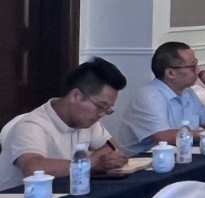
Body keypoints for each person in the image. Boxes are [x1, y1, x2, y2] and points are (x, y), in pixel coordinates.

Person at [1, 58, 129, 189]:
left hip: (64, 193)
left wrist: (100, 160)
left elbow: (113, 147)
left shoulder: (87, 122)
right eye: (101, 106)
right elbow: (33, 168)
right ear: (76, 96)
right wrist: (90, 164)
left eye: (107, 109)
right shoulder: (32, 125)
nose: (102, 114)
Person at [119, 40, 205, 151]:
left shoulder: (187, 92)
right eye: (192, 66)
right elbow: (164, 137)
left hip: (180, 153)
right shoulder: (149, 96)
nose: (197, 70)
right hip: (146, 158)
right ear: (170, 73)